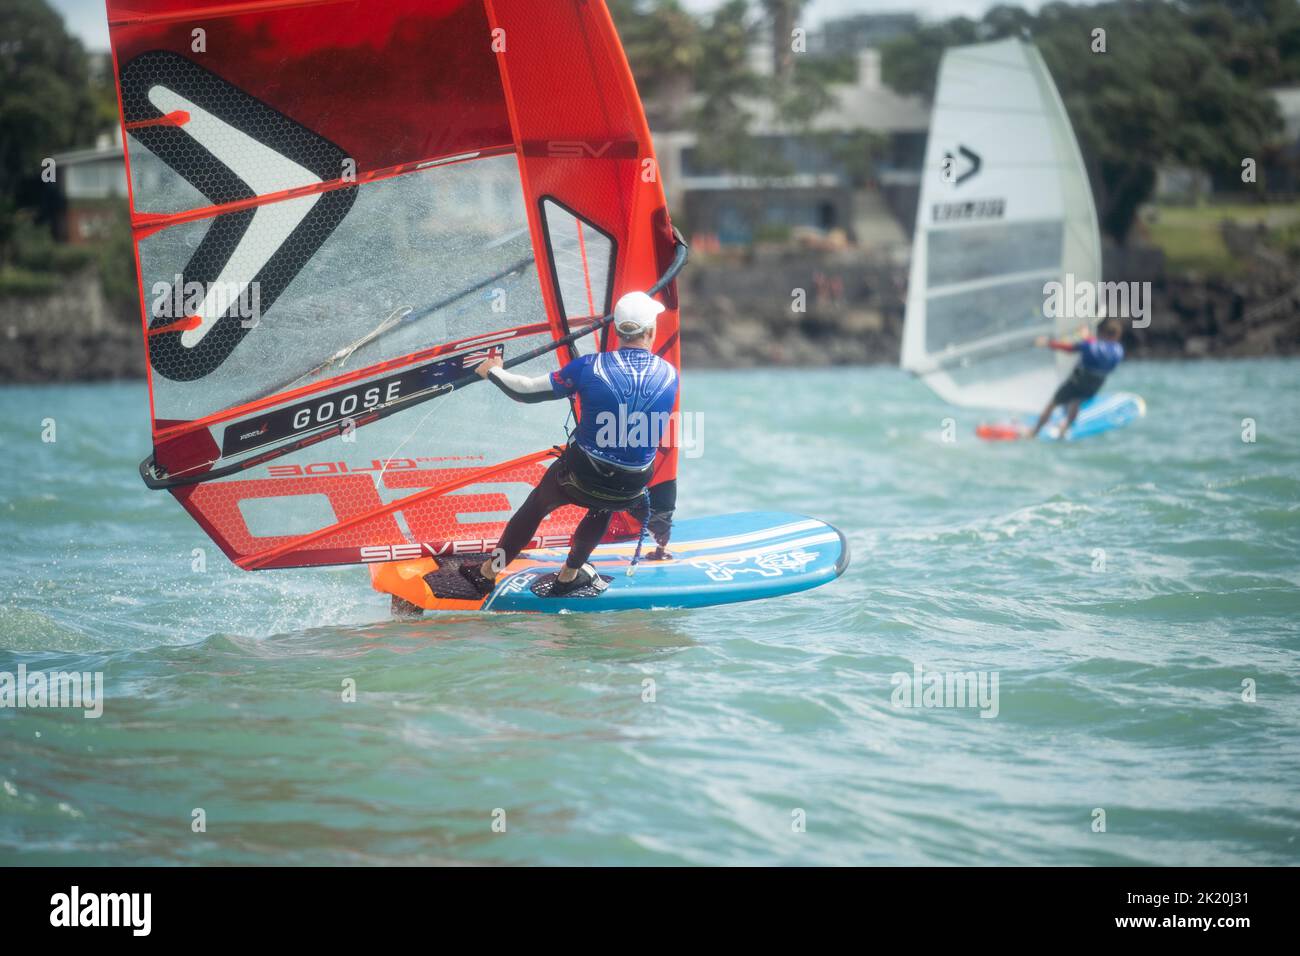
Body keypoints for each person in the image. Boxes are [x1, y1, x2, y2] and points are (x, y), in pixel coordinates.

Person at [467, 291, 680, 596]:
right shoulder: (670, 375)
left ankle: (489, 571)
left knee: (538, 504)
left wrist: (493, 372)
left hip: (581, 473)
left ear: (617, 331)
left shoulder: (589, 367)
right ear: (650, 331)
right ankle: (569, 575)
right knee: (603, 506)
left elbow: (525, 392)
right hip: (632, 484)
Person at [1030, 317, 1125, 438]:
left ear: (1102, 333)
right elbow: (1101, 348)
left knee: (1053, 404)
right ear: (1117, 335)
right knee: (1076, 401)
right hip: (1095, 385)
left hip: (1078, 382)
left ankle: (1034, 432)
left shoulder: (1091, 345)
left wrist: (1048, 343)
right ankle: (1064, 430)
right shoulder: (1119, 350)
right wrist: (1087, 337)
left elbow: (1069, 349)